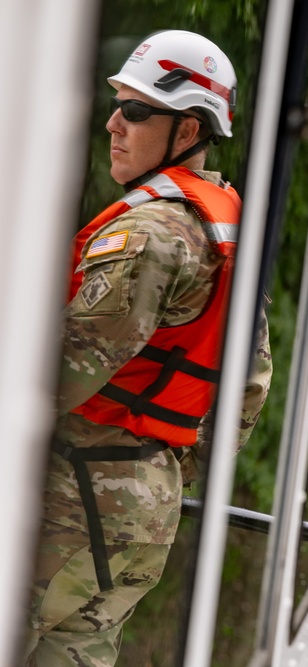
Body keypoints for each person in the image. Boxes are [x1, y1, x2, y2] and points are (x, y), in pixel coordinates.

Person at [23, 30, 272, 666]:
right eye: (117, 105)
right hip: (142, 502)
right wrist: (157, 471)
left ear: (187, 132)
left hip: (70, 494)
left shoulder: (149, 234)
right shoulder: (227, 228)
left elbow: (57, 375)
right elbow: (246, 388)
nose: (113, 124)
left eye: (135, 112)